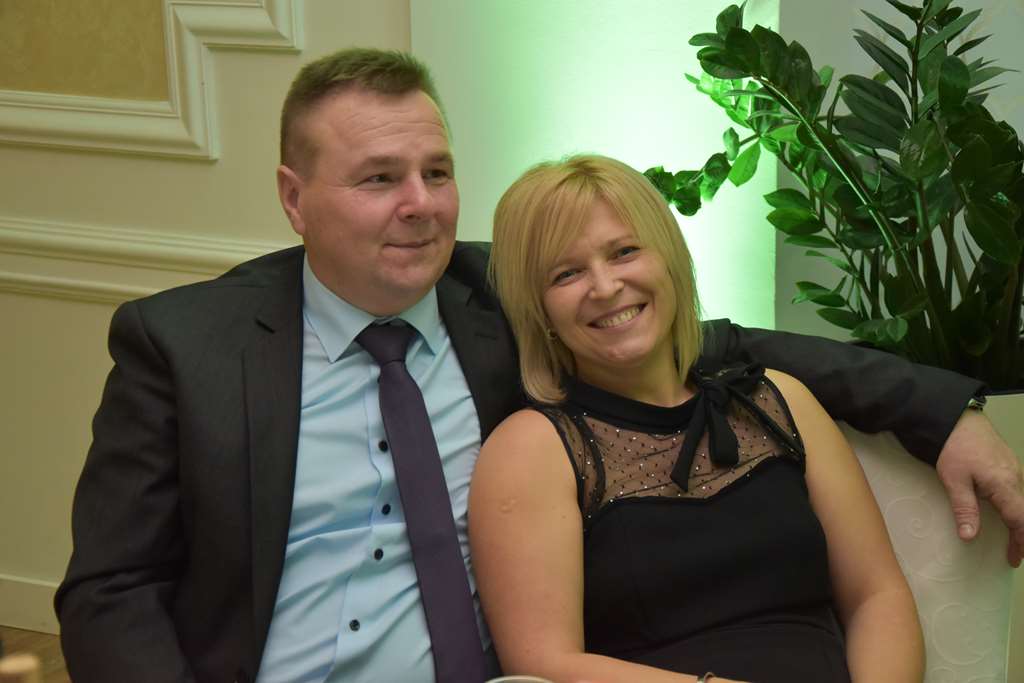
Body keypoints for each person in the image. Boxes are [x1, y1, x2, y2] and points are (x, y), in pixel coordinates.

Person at [53, 47, 1021, 683]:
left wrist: (942, 410)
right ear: (293, 197)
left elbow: (714, 345)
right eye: (379, 178)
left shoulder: (503, 298)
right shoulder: (185, 344)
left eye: (436, 171)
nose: (421, 205)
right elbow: (109, 591)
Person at [472, 154, 924, 681]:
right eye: (566, 273)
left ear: (669, 259)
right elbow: (541, 662)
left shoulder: (781, 400)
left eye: (624, 252)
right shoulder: (530, 449)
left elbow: (876, 595)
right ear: (538, 309)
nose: (605, 286)